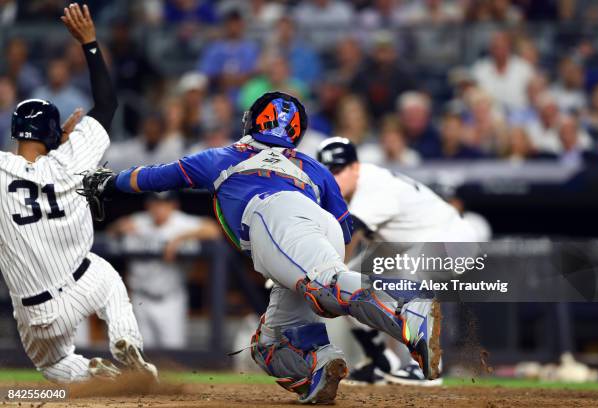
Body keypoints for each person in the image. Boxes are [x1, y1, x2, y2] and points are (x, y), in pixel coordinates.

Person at [81, 91, 441, 404]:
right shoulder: (315, 167)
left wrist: (110, 182)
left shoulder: (223, 156)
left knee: (325, 284)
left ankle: (407, 310)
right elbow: (343, 229)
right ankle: (319, 363)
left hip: (273, 217)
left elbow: (155, 176)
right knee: (268, 345)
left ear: (253, 122)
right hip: (315, 229)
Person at [0, 4, 157, 383]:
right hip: (82, 281)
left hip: (35, 312)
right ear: (53, 135)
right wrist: (88, 43)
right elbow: (107, 104)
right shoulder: (72, 160)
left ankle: (98, 378)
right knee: (110, 278)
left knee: (52, 364)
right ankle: (125, 340)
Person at [316, 137, 476, 386]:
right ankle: (379, 361)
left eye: (338, 170)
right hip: (404, 244)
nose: (334, 179)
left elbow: (348, 233)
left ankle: (428, 367)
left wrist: (311, 266)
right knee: (341, 284)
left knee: (410, 273)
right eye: (328, 173)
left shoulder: (372, 183)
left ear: (355, 166)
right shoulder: (345, 191)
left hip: (453, 239)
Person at [108, 192, 220, 349]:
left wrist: (179, 238)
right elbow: (110, 233)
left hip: (170, 299)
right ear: (148, 205)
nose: (160, 208)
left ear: (173, 205)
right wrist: (119, 228)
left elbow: (213, 229)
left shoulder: (180, 222)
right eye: (155, 203)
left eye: (165, 203)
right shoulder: (139, 221)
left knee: (173, 353)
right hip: (140, 298)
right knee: (140, 352)